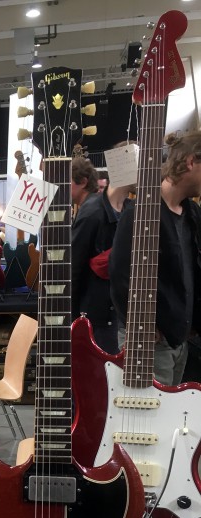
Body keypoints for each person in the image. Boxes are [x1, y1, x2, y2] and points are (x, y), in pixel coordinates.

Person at [109, 131, 201, 385]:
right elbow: (120, 274)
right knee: (149, 408)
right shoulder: (141, 212)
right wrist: (139, 325)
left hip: (180, 339)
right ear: (191, 162)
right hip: (150, 341)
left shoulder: (192, 213)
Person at [72, 146, 135, 355]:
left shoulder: (130, 209)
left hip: (117, 316)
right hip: (98, 318)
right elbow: (74, 269)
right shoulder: (93, 213)